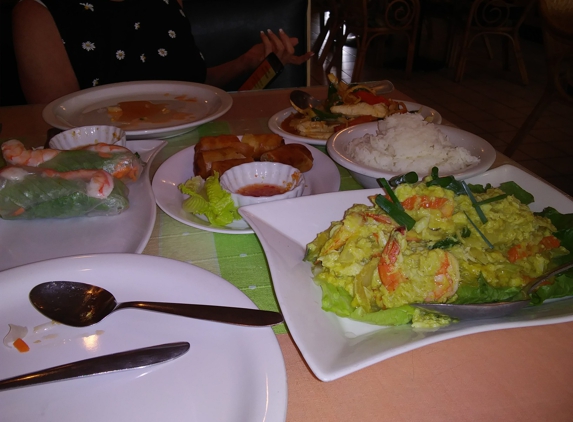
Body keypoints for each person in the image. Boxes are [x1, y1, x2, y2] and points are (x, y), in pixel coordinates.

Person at [12, 0, 313, 104]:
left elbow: (188, 84)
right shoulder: (37, 14)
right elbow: (58, 129)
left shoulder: (167, 2)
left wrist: (249, 61)